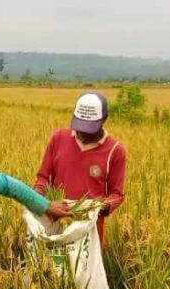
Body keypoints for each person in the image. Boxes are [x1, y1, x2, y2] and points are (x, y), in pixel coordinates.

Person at [33, 92, 127, 246]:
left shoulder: (115, 151)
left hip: (90, 231)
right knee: (53, 266)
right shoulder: (58, 138)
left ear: (104, 119)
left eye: (89, 128)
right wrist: (36, 198)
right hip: (56, 225)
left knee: (85, 269)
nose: (82, 133)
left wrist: (101, 206)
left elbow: (116, 194)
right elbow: (43, 178)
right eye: (79, 126)